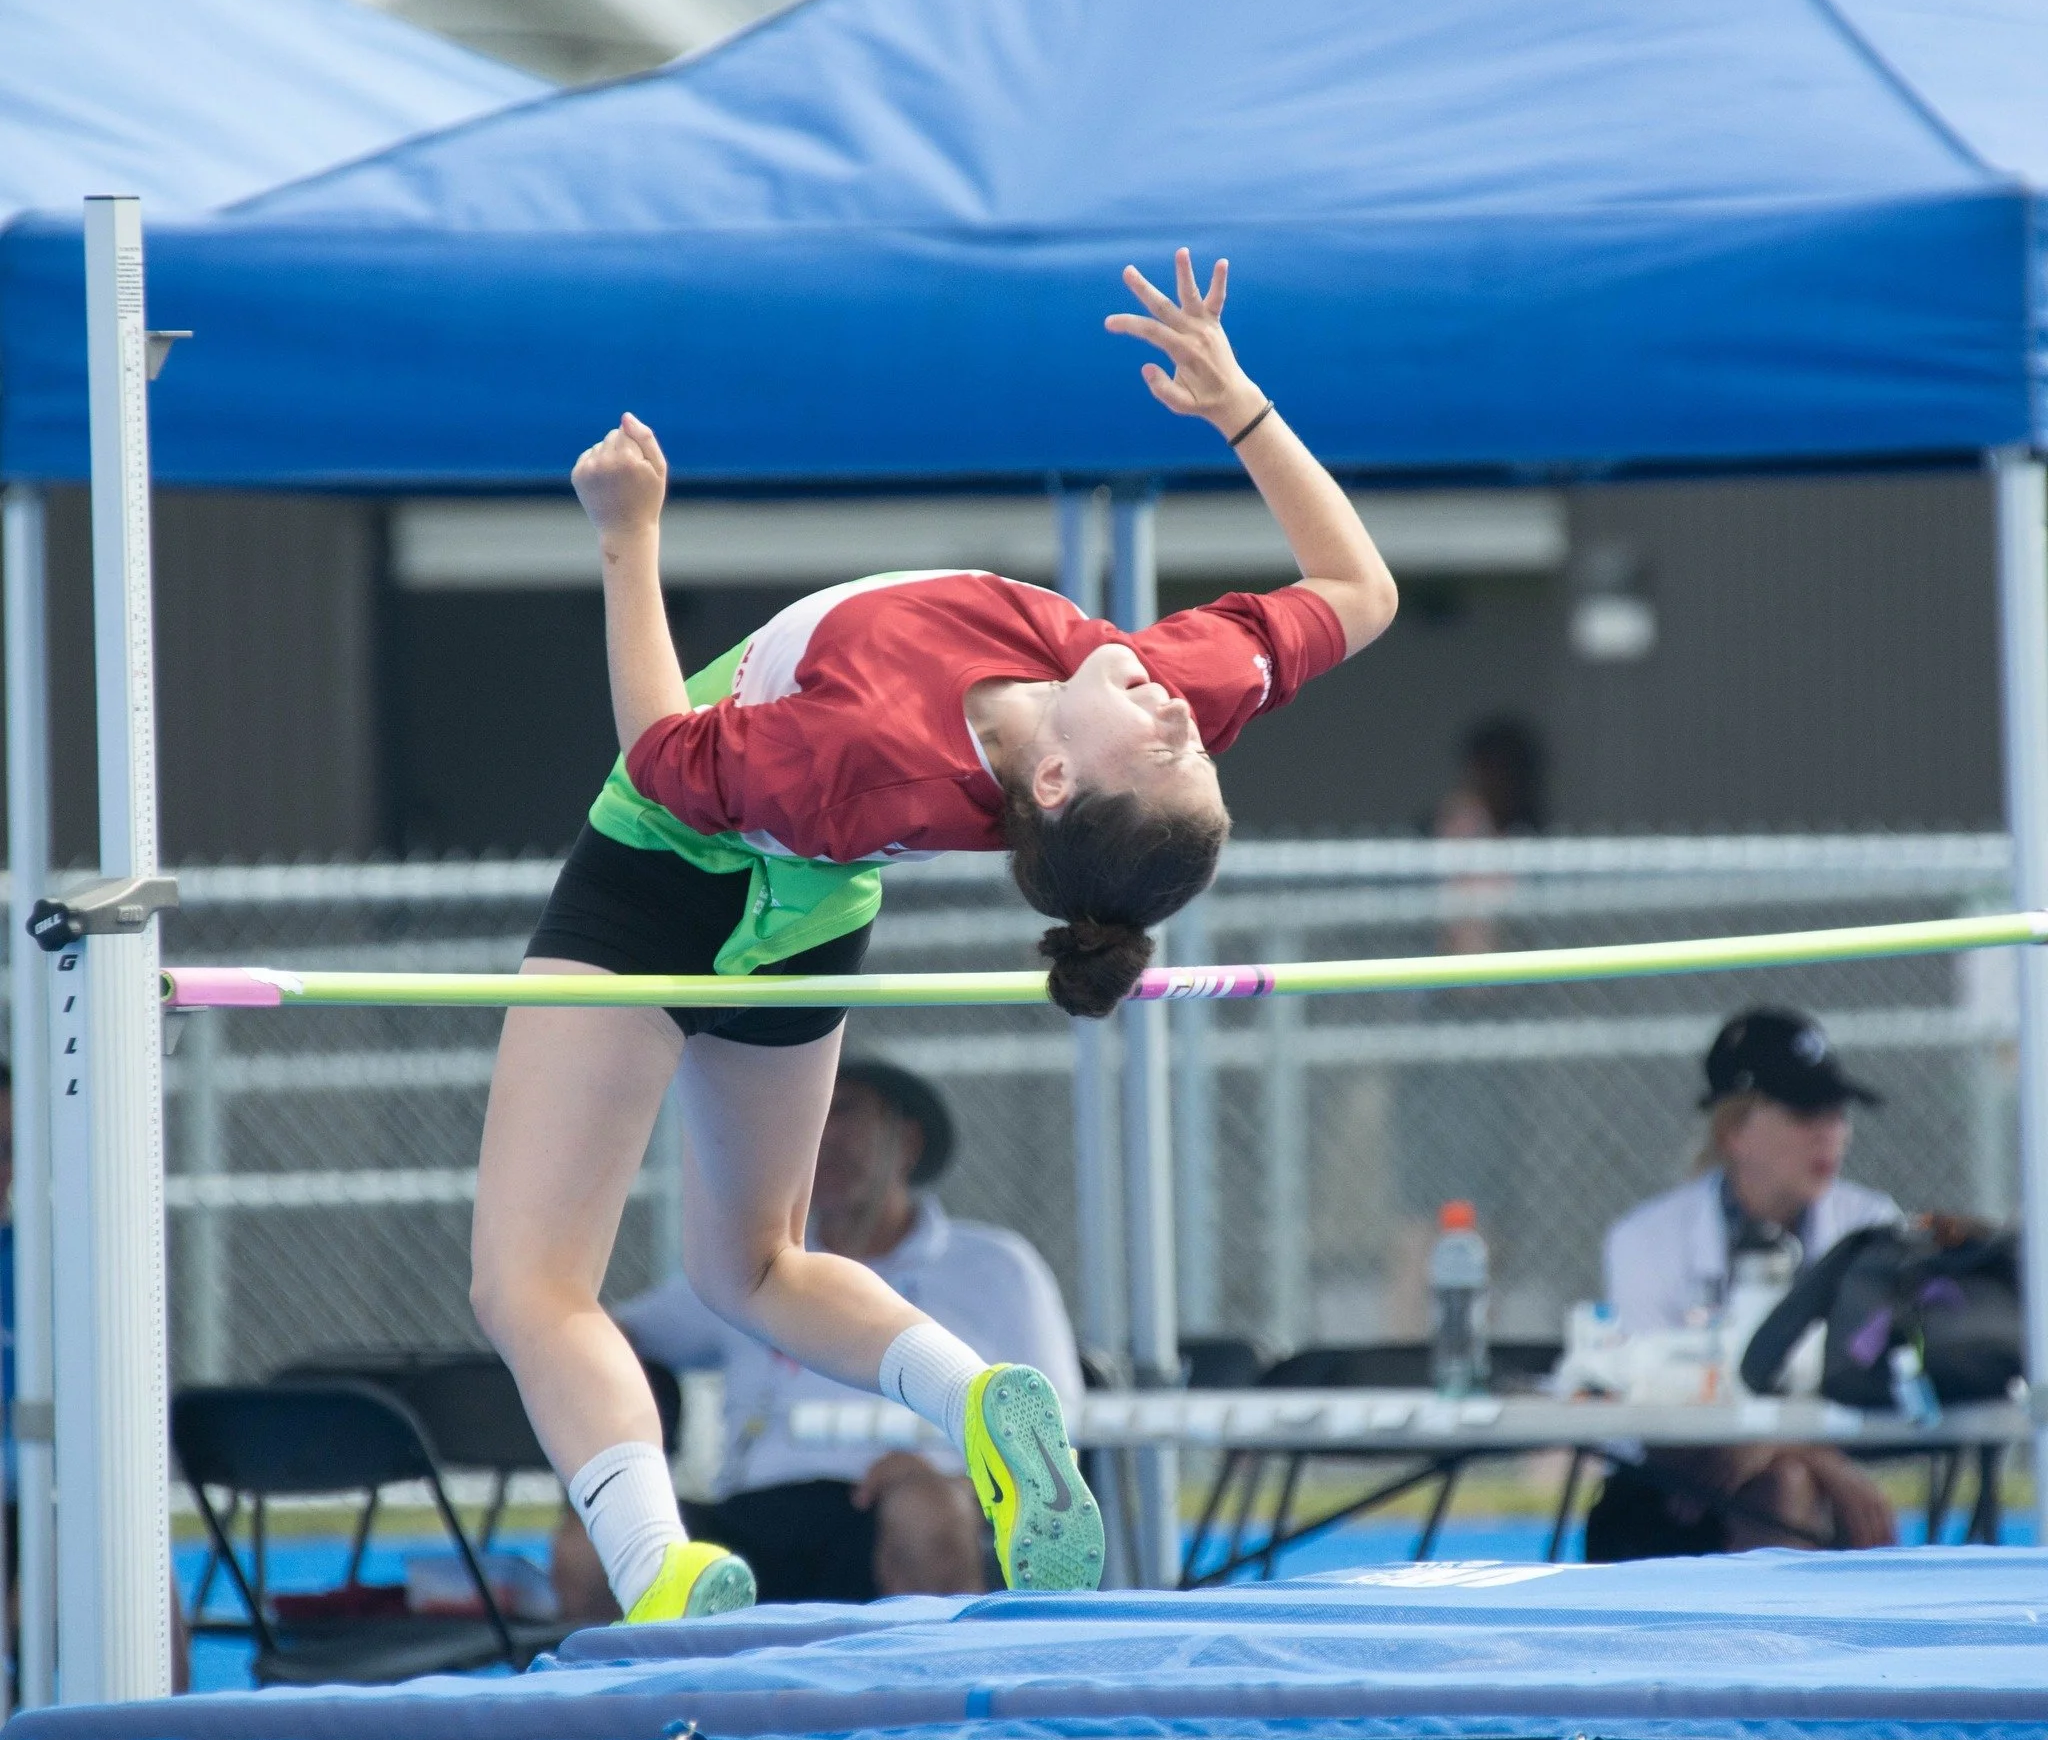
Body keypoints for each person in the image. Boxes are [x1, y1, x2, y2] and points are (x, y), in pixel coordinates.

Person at [468, 247, 1400, 1623]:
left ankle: (659, 1568)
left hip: (663, 876)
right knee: (755, 1268)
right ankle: (978, 1397)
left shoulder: (863, 755)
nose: (1179, 715)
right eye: (1198, 738)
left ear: (1060, 786)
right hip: (813, 913)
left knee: (531, 1282)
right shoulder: (1137, 689)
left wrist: (627, 537)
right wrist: (1240, 405)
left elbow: (662, 754)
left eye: (1172, 746)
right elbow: (1361, 591)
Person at [552, 1061, 1083, 1617]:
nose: (821, 1132)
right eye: (810, 1111)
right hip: (750, 1517)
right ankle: (633, 1704)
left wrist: (954, 1478)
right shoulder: (746, 1268)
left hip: (899, 1506)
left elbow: (1057, 1421)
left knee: (925, 1515)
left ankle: (943, 1695)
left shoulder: (998, 1267)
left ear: (906, 1140)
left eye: (845, 1110)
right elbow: (610, 1333)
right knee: (594, 1547)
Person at [1587, 1007, 1900, 1558]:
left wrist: (1776, 1448)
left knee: (1786, 1481)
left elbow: (1886, 1376)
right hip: (1669, 1497)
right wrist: (1810, 1453)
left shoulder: (1874, 1228)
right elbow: (1647, 1404)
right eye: (1806, 1113)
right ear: (1735, 1130)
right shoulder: (1644, 1239)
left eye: (1838, 1113)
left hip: (1811, 1496)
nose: (1831, 1134)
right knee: (1788, 1482)